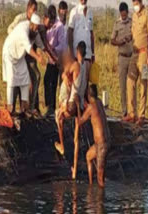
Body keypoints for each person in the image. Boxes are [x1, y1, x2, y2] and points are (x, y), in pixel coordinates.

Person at [7, 0, 55, 117]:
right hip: (19, 53)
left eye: (36, 10)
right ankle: (14, 108)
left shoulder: (36, 26)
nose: (34, 12)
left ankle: (32, 107)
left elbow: (41, 44)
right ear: (28, 9)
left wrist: (50, 56)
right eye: (33, 10)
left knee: (35, 77)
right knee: (18, 80)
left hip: (30, 55)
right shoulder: (20, 19)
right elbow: (10, 31)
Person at [55, 42, 87, 180]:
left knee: (58, 117)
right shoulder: (86, 66)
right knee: (76, 140)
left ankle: (61, 145)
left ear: (77, 52)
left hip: (71, 104)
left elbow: (64, 75)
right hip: (78, 105)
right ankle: (74, 170)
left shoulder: (75, 65)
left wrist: (66, 77)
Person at [2, 13, 44, 115]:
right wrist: (38, 57)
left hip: (19, 57)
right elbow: (29, 48)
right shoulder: (23, 30)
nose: (36, 30)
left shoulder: (35, 32)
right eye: (36, 27)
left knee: (25, 79)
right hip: (10, 54)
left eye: (38, 28)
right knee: (11, 81)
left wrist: (50, 57)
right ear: (31, 24)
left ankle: (24, 109)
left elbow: (41, 46)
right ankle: (10, 109)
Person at [123, 0, 148, 126]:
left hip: (144, 53)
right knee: (130, 82)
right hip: (134, 52)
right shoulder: (134, 16)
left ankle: (141, 115)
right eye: (133, 3)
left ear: (141, 2)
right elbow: (133, 33)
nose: (135, 6)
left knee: (143, 83)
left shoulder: (147, 15)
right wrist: (127, 38)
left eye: (136, 3)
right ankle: (131, 113)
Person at [76, 84, 109, 188]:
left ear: (89, 96)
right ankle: (91, 185)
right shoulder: (99, 102)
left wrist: (77, 105)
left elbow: (80, 121)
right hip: (105, 142)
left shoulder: (91, 107)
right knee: (89, 156)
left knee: (100, 177)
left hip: (101, 145)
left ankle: (100, 199)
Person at [44, 5, 66, 117]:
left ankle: (56, 109)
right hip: (50, 60)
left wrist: (52, 49)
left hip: (58, 60)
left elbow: (62, 45)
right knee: (47, 81)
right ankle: (50, 107)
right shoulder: (46, 27)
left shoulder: (60, 26)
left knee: (56, 84)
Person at [111, 2, 132, 118]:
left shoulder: (132, 22)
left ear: (127, 12)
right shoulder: (117, 23)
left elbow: (136, 34)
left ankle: (132, 110)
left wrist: (130, 37)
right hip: (122, 57)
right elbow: (112, 40)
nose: (124, 17)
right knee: (123, 85)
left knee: (131, 85)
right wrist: (120, 42)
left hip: (132, 56)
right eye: (122, 16)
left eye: (125, 15)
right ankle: (124, 111)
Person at [68, 0, 95, 81]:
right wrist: (71, 53)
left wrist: (93, 53)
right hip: (77, 55)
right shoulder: (74, 11)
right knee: (76, 81)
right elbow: (70, 32)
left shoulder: (90, 12)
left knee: (86, 82)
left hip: (88, 54)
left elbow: (91, 33)